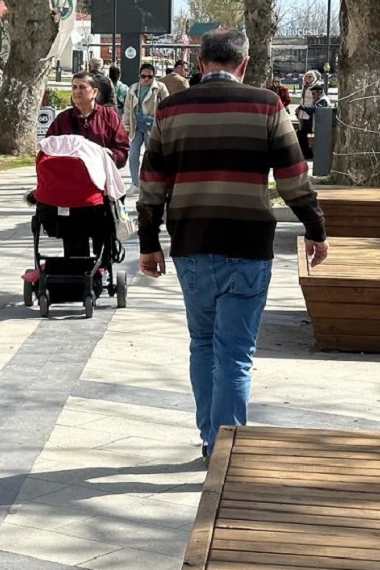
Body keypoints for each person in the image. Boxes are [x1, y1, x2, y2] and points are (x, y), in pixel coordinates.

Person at [136, 28, 328, 462]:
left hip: (190, 243)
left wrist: (149, 245)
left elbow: (151, 186)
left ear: (201, 63)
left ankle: (210, 438)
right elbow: (293, 180)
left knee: (202, 343)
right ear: (243, 64)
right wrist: (315, 228)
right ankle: (225, 450)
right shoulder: (266, 105)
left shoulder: (170, 109)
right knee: (236, 353)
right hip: (246, 244)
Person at [47, 72, 128, 168]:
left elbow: (122, 150)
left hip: (101, 177)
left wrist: (108, 155)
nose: (77, 91)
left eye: (82, 87)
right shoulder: (63, 119)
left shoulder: (109, 116)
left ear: (94, 92)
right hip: (70, 178)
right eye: (74, 87)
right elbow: (48, 148)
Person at [122, 62, 169, 190]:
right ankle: (135, 183)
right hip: (136, 125)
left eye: (150, 76)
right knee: (133, 155)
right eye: (143, 76)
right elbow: (127, 109)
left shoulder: (160, 87)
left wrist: (163, 126)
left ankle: (152, 182)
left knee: (152, 155)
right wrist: (125, 126)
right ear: (139, 76)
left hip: (153, 127)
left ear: (154, 76)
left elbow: (166, 107)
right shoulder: (133, 88)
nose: (146, 79)